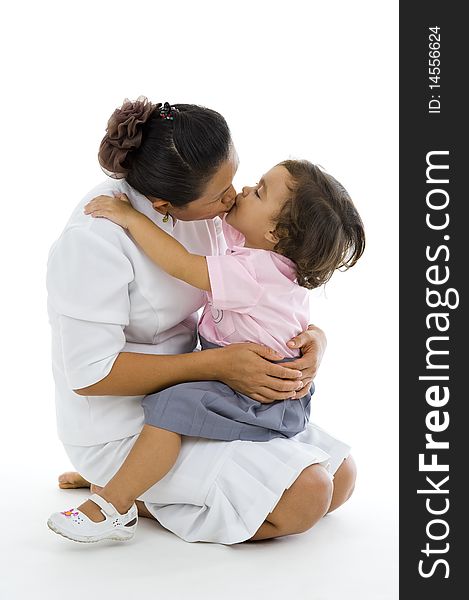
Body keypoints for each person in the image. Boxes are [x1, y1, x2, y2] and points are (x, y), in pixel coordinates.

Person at [46, 97, 357, 545]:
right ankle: (122, 495)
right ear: (163, 203)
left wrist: (314, 343)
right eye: (221, 194)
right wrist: (219, 365)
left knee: (341, 478)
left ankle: (152, 489)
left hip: (213, 390)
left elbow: (277, 292)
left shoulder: (213, 212)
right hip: (138, 420)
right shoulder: (94, 241)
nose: (234, 196)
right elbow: (89, 375)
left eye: (237, 180)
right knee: (307, 495)